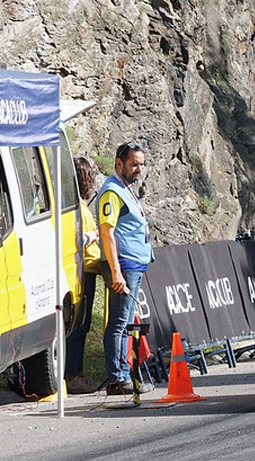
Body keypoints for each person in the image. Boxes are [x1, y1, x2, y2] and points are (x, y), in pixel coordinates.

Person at [98, 142, 154, 395]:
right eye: (134, 164)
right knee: (119, 324)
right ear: (119, 164)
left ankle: (124, 376)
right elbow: (107, 233)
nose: (138, 169)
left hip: (135, 264)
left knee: (125, 324)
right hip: (125, 265)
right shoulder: (112, 191)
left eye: (141, 164)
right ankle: (118, 378)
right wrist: (116, 272)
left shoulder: (126, 189)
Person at [64, 157, 102, 394]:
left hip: (86, 269)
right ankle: (72, 375)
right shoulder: (75, 207)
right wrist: (94, 235)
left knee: (82, 325)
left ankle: (74, 372)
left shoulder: (77, 205)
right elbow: (75, 239)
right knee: (79, 326)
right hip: (82, 271)